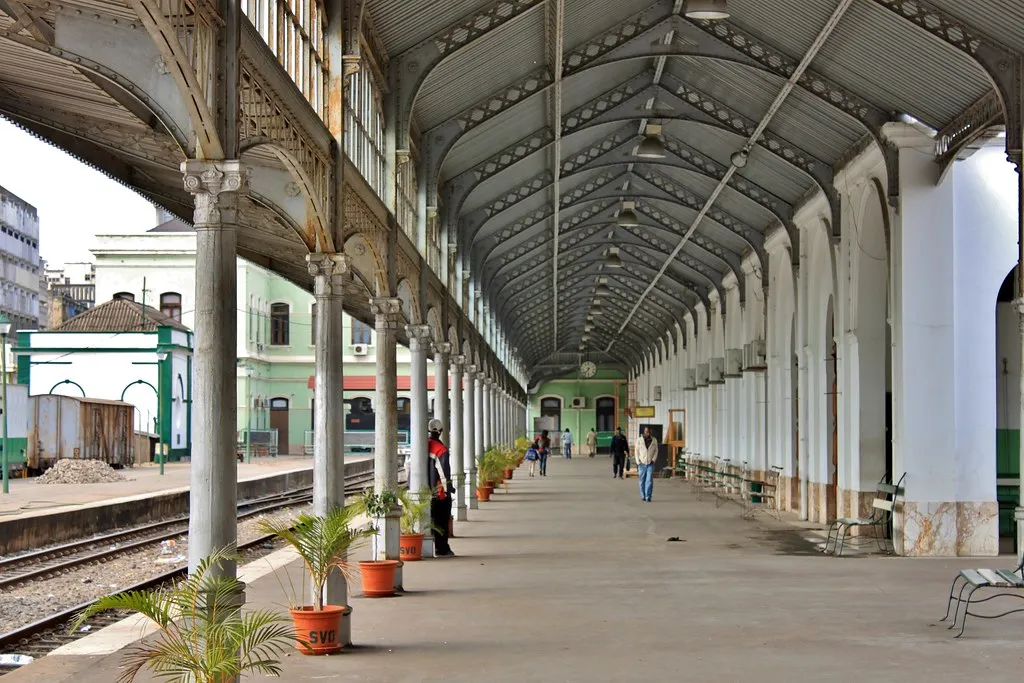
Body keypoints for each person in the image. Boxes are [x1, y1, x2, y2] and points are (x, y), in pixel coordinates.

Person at [427, 419, 456, 557]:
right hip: (439, 492)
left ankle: (430, 547)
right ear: (441, 431)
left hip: (424, 490)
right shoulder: (441, 449)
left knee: (430, 520)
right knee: (441, 521)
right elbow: (444, 472)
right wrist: (448, 489)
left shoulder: (422, 445)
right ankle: (442, 549)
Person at [635, 427, 659, 502]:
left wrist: (653, 460)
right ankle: (643, 495)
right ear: (644, 432)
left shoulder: (654, 440)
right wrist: (638, 461)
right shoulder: (639, 440)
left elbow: (656, 451)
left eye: (649, 432)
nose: (648, 433)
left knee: (649, 480)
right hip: (642, 463)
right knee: (642, 480)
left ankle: (648, 496)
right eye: (646, 432)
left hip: (650, 464)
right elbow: (636, 451)